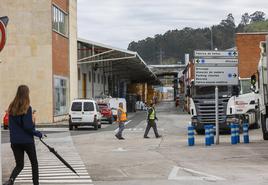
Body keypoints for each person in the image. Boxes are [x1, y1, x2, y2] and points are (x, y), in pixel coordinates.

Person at [3, 85, 43, 185]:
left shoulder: (11, 108)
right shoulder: (27, 108)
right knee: (34, 163)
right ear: (26, 94)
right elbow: (28, 127)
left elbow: (10, 126)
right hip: (27, 142)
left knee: (19, 165)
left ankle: (11, 180)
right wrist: (37, 132)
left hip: (15, 142)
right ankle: (36, 183)